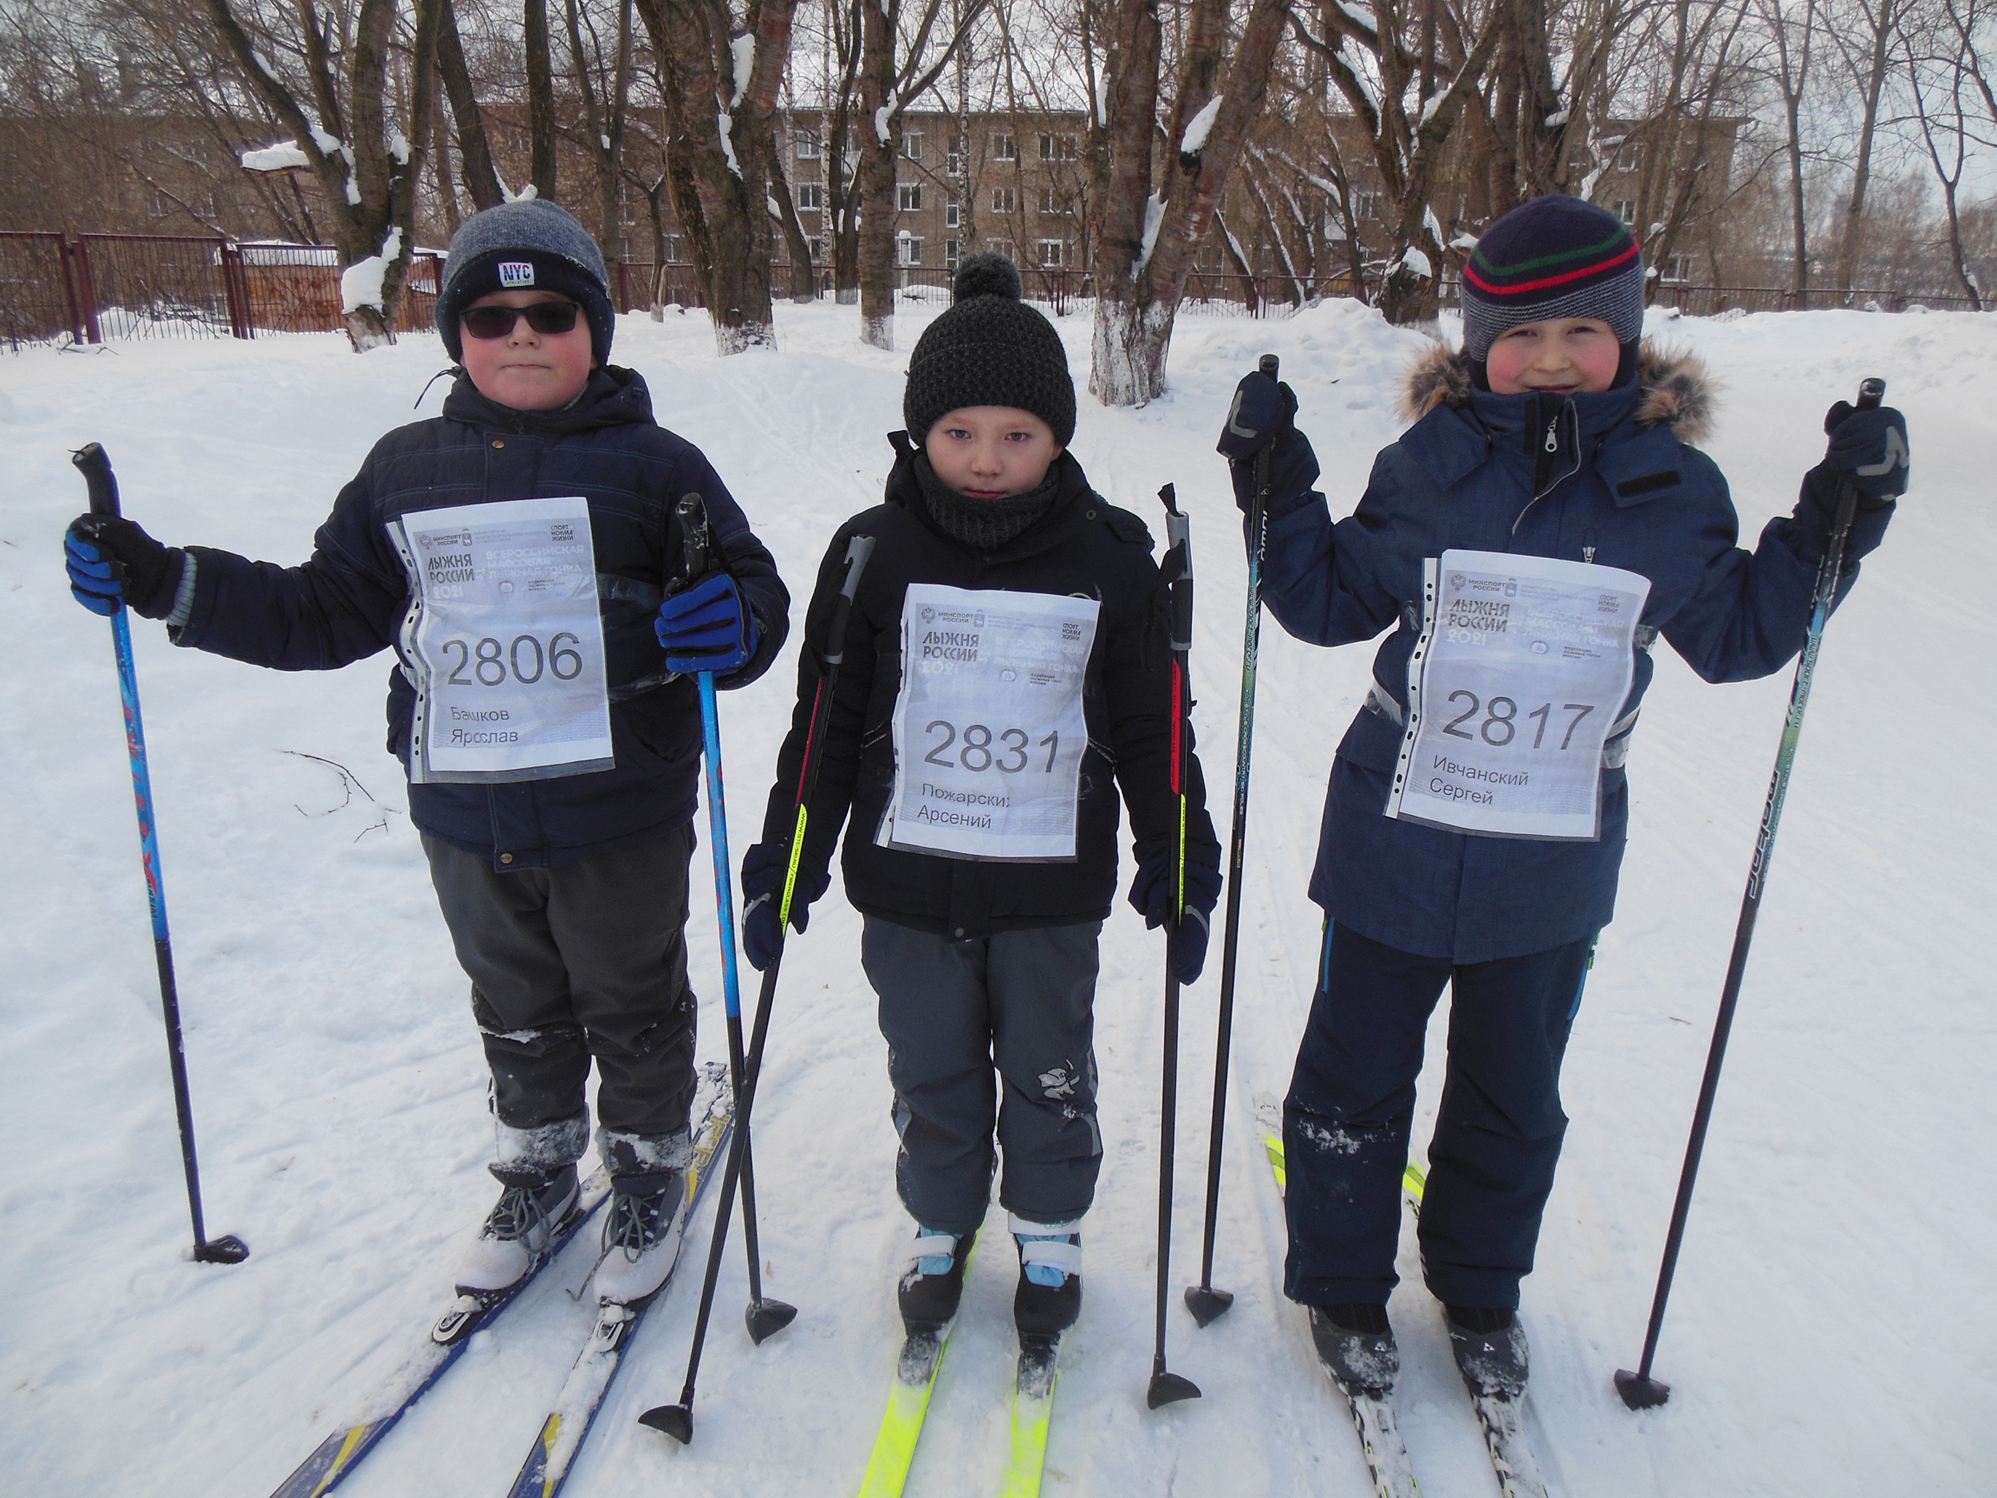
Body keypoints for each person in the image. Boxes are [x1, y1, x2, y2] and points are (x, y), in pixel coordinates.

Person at [1215, 194, 1908, 1403]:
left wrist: (1836, 520)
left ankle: (1479, 1283)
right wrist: (1277, 484)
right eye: (1519, 334)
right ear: (1478, 341)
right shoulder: (1423, 467)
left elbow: (1742, 631)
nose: (1546, 360)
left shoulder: (1672, 489)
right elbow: (1326, 602)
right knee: (1353, 1071)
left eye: (1579, 335)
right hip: (1394, 835)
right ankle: (1337, 1284)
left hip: (1548, 860)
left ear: (1627, 340)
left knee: (1511, 1086)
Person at [62, 199, 789, 1310]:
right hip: (464, 808)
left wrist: (728, 624)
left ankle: (645, 1167)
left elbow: (751, 591)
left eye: (550, 311)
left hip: (618, 806)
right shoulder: (404, 469)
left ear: (595, 326)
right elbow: (323, 609)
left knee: (627, 992)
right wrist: (168, 581)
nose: (521, 335)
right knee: (513, 998)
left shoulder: (655, 467)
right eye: (490, 316)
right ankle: (539, 1167)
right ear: (456, 336)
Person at [736, 254, 1222, 1344]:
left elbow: (1153, 728)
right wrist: (787, 860)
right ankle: (941, 1223)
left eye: (1018, 435)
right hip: (907, 888)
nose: (987, 460)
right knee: (930, 1066)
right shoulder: (869, 553)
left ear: (1058, 437)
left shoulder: (1108, 558)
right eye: (959, 434)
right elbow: (822, 720)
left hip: (1050, 888)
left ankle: (1047, 1230)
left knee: (1049, 1071)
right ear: (919, 434)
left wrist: (1179, 858)